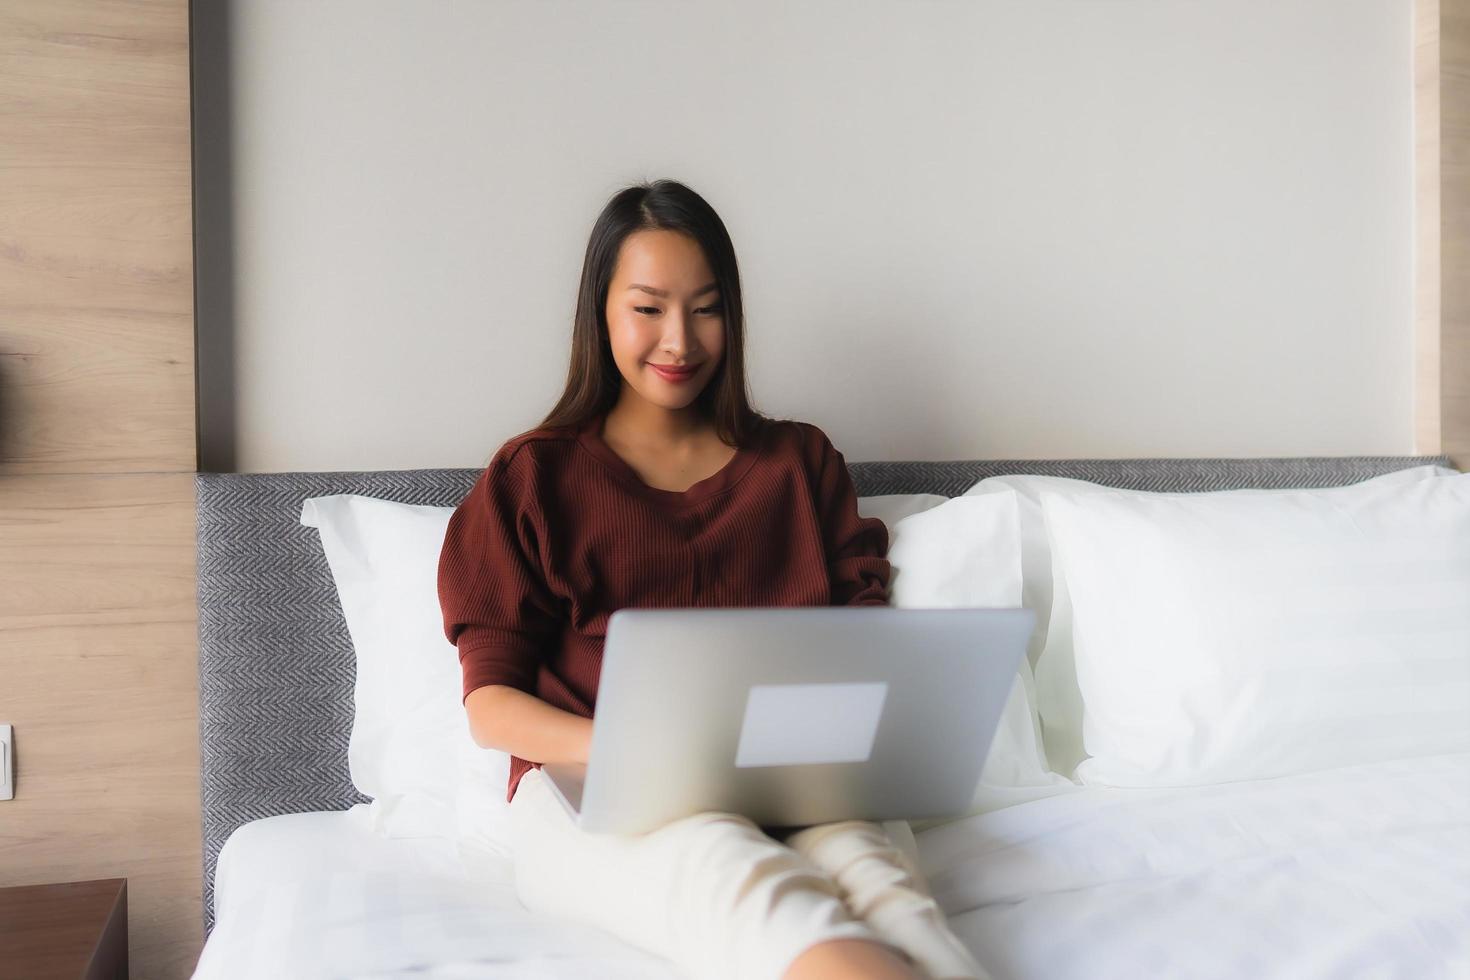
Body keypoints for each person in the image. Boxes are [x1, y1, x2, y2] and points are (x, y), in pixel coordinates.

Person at [438, 178, 988, 980]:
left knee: (890, 894)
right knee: (736, 876)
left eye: (705, 308)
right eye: (649, 307)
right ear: (602, 312)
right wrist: (639, 752)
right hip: (592, 789)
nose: (679, 341)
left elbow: (862, 650)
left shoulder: (800, 464)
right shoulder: (533, 477)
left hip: (796, 783)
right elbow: (491, 706)